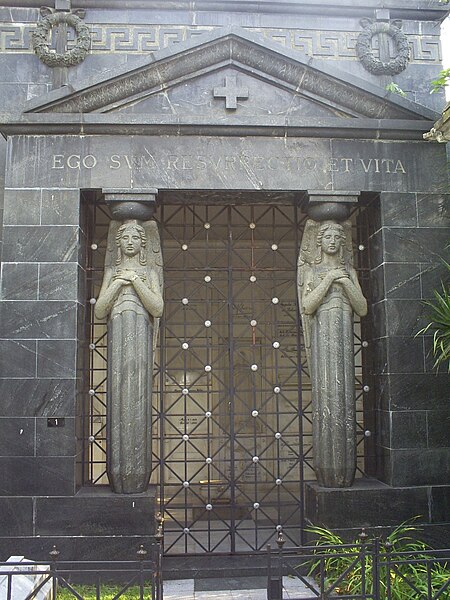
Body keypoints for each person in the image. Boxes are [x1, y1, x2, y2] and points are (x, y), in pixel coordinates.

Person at [95, 220, 163, 494]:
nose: (131, 242)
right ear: (118, 243)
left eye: (137, 237)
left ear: (144, 244)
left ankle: (136, 474)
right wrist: (117, 283)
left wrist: (135, 280)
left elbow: (157, 308)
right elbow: (100, 310)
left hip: (141, 340)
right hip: (119, 339)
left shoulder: (149, 272)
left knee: (137, 392)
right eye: (126, 238)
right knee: (120, 391)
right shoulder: (112, 271)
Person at [298, 220, 367, 487]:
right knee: (327, 391)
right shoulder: (313, 271)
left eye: (337, 237)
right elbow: (307, 305)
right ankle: (328, 473)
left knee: (345, 392)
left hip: (343, 335)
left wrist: (345, 281)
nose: (332, 241)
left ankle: (344, 473)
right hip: (323, 336)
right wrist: (329, 278)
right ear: (319, 242)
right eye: (327, 237)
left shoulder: (348, 269)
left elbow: (361, 307)